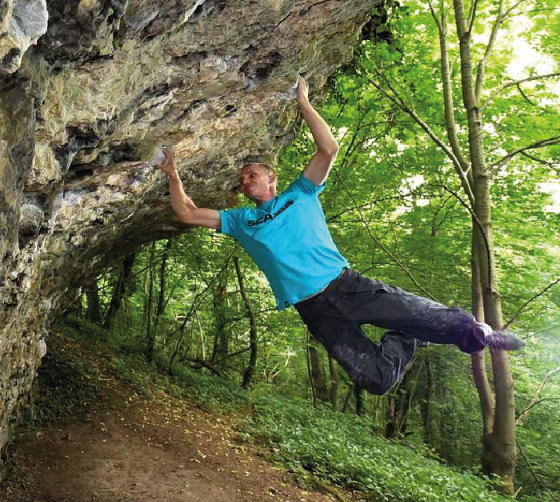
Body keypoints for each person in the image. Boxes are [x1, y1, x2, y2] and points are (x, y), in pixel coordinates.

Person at [152, 75, 524, 396]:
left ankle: (481, 335)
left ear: (271, 178)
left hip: (347, 286)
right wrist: (172, 172)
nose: (245, 180)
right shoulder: (240, 221)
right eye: (242, 178)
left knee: (434, 318)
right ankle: (406, 335)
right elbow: (186, 211)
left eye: (252, 173)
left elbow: (328, 148)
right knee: (375, 380)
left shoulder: (300, 193)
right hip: (313, 309)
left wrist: (303, 101)